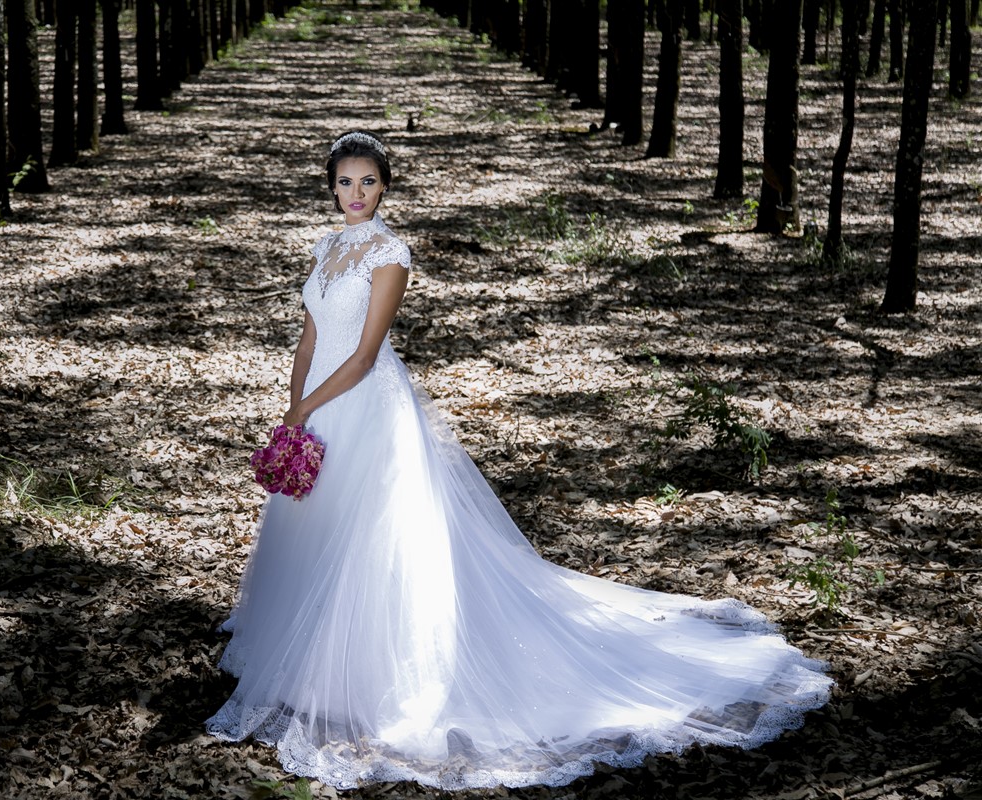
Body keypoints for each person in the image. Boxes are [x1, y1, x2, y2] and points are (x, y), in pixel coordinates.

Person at [205, 131, 832, 791]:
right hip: (318, 403)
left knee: (370, 539)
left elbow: (363, 355)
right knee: (315, 528)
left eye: (367, 182)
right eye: (344, 182)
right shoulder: (329, 246)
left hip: (365, 404)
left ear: (384, 185)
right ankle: (302, 659)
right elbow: (310, 333)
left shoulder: (390, 252)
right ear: (330, 186)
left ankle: (372, 680)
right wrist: (293, 403)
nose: (355, 194)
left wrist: (309, 408)